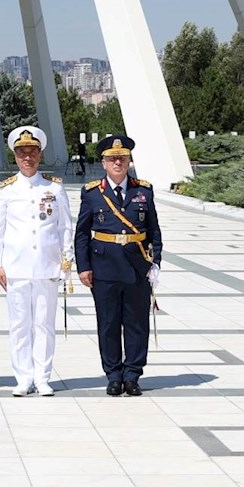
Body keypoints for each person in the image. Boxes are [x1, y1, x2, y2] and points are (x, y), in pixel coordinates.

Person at [74, 135, 163, 397]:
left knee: (136, 323)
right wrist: (83, 267)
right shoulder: (92, 193)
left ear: (128, 161)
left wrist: (155, 262)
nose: (117, 162)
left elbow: (154, 231)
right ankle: (113, 375)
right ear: (103, 163)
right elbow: (82, 233)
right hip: (104, 267)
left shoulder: (143, 191)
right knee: (109, 323)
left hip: (137, 266)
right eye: (112, 159)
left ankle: (133, 374)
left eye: (122, 158)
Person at [0, 126, 74, 397]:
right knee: (19, 325)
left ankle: (43, 377)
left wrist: (66, 260)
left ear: (40, 154)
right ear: (15, 156)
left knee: (44, 325)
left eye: (33, 152)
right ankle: (23, 377)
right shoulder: (5, 189)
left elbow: (65, 227)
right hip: (16, 267)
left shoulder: (54, 187)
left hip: (47, 266)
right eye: (22, 152)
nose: (28, 157)